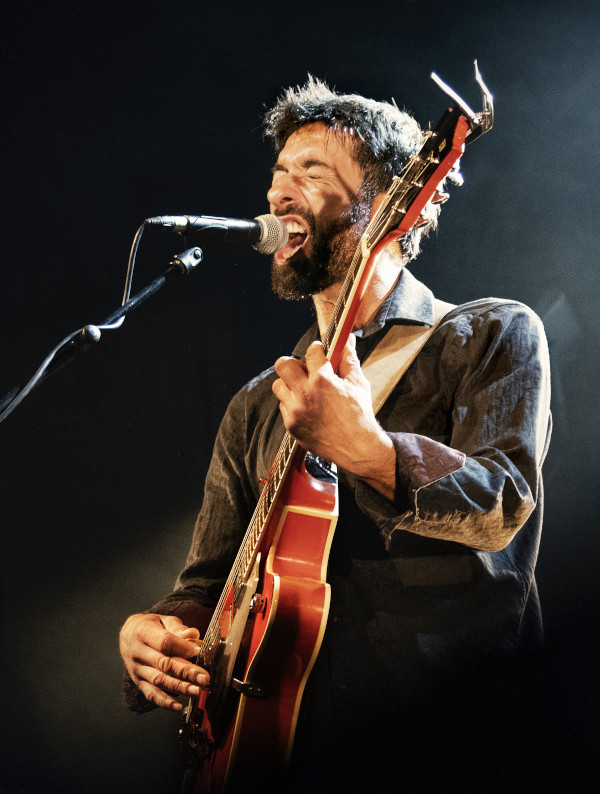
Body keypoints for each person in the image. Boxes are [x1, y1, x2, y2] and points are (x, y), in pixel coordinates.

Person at [119, 77, 551, 789]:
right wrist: (153, 634)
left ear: (392, 202)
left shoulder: (489, 334)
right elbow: (206, 585)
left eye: (310, 171)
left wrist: (372, 453)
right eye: (277, 173)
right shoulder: (259, 403)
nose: (277, 193)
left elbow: (502, 506)